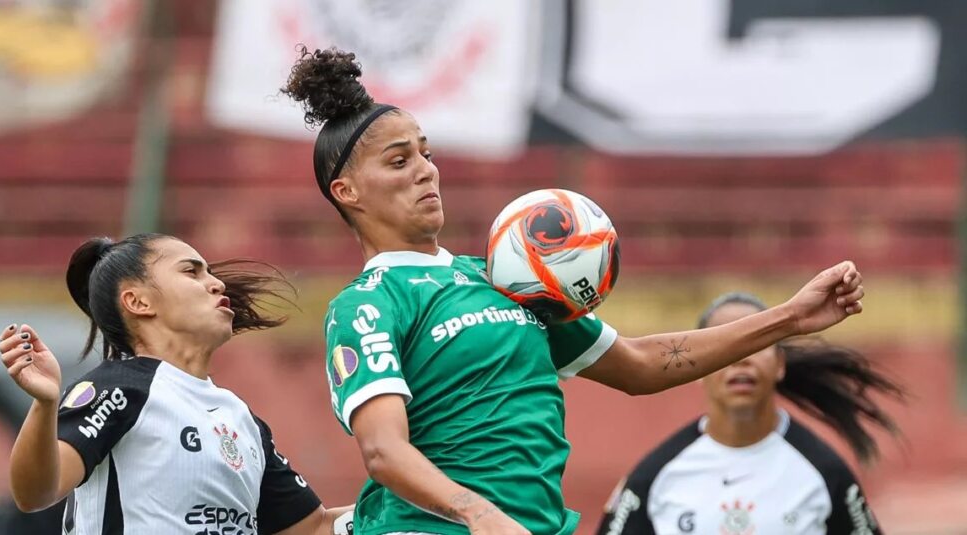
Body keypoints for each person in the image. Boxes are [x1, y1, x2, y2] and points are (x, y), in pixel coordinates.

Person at [280, 46, 865, 535]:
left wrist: (790, 317)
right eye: (399, 160)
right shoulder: (367, 305)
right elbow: (384, 452)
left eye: (426, 153)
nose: (426, 170)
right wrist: (478, 514)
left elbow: (640, 364)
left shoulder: (502, 276)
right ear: (347, 192)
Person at [0, 233, 353, 534]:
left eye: (209, 272)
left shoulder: (239, 417)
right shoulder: (120, 388)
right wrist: (45, 404)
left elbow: (314, 527)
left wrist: (388, 498)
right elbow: (35, 493)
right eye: (191, 271)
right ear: (137, 301)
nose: (216, 283)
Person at [596, 292, 902, 535]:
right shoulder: (654, 476)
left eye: (757, 346)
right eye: (724, 349)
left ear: (780, 364)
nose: (741, 360)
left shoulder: (826, 472)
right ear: (698, 367)